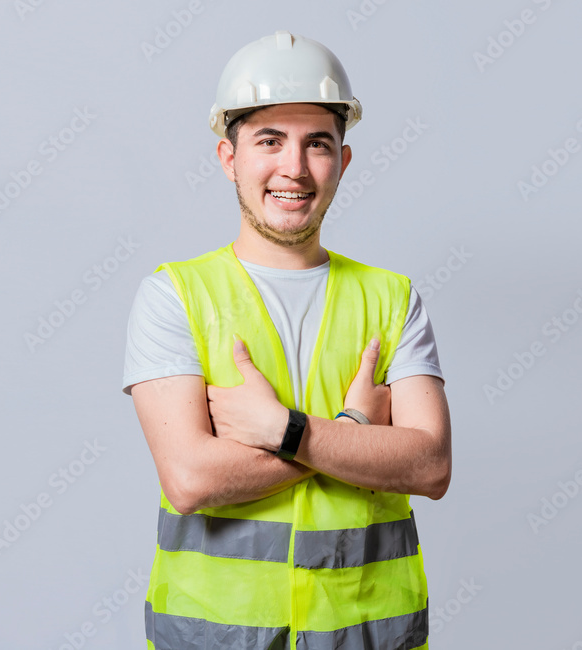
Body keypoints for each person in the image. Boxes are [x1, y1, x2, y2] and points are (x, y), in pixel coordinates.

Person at [122, 30, 451, 650]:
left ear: (343, 161)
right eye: (269, 141)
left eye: (317, 144)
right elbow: (191, 478)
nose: (293, 169)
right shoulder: (175, 297)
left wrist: (284, 429)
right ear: (229, 158)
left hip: (369, 634)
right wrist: (354, 431)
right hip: (216, 636)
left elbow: (430, 466)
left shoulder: (392, 298)